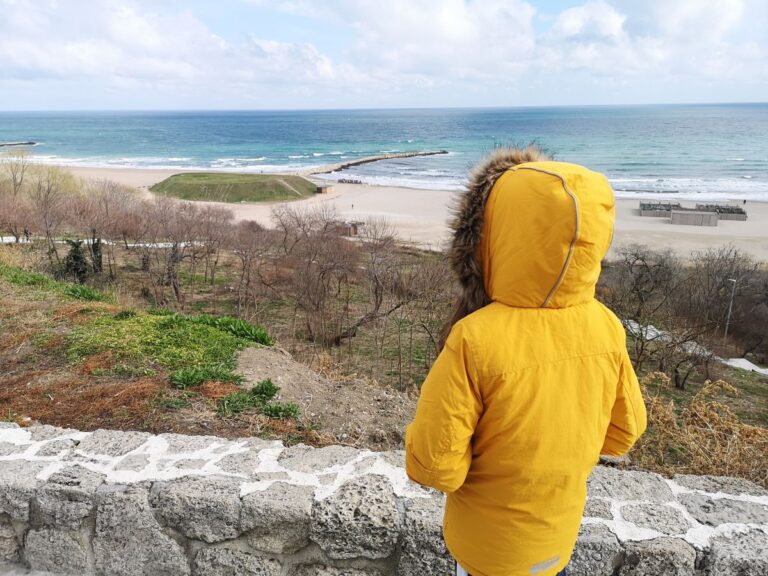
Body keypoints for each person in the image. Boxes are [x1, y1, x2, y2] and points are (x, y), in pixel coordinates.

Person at [405, 146, 647, 576]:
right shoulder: (607, 327)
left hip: (487, 550)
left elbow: (435, 467)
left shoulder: (474, 338)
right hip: (556, 538)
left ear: (495, 233)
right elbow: (623, 434)